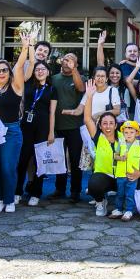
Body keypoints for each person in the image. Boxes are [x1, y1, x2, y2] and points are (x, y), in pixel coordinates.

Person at [0, 32, 32, 213]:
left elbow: (19, 67)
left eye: (5, 70)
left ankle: (9, 199)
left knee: (8, 166)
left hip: (11, 131)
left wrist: (25, 48)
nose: (2, 72)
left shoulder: (15, 87)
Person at [15, 55, 57, 207]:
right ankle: (17, 192)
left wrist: (51, 132)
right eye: (37, 69)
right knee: (22, 161)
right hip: (26, 126)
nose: (40, 71)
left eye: (43, 69)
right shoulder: (28, 85)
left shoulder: (52, 89)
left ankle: (36, 193)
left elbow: (52, 112)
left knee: (40, 162)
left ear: (48, 72)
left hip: (43, 127)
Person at [82, 82, 124, 217]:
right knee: (93, 185)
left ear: (116, 124)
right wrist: (89, 97)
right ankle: (100, 201)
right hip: (104, 176)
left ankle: (126, 202)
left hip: (121, 176)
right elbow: (87, 118)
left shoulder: (124, 137)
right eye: (104, 123)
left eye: (111, 123)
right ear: (99, 126)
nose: (108, 126)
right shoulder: (98, 137)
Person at [50, 52, 86, 203]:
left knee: (75, 159)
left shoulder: (79, 77)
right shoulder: (54, 79)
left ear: (76, 64)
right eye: (65, 59)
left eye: (72, 60)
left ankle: (75, 191)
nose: (67, 62)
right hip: (57, 125)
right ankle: (60, 189)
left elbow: (81, 88)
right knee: (59, 159)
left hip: (74, 126)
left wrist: (74, 70)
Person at [110, 120, 140, 221]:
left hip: (133, 174)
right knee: (120, 193)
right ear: (123, 133)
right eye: (126, 132)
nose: (128, 135)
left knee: (130, 193)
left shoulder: (139, 144)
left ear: (137, 133)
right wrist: (120, 158)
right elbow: (115, 155)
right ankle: (119, 209)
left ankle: (129, 210)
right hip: (120, 174)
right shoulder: (121, 143)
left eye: (131, 132)